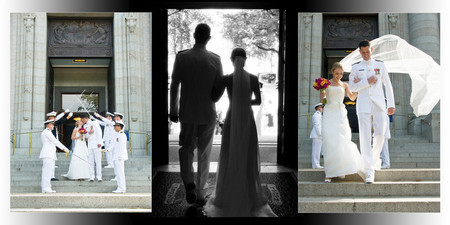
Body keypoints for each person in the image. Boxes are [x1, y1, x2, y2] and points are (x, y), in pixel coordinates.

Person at [203, 48, 276, 217]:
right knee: (247, 154)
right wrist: (244, 100)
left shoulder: (227, 79)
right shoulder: (253, 78)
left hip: (232, 116)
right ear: (245, 60)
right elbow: (257, 101)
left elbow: (213, 96)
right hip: (247, 118)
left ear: (231, 60)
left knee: (230, 154)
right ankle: (250, 193)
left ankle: (227, 193)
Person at [169, 23, 223, 206]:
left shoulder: (182, 57)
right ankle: (200, 192)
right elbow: (218, 89)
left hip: (187, 112)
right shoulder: (216, 59)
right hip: (208, 112)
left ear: (194, 35)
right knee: (204, 153)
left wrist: (173, 110)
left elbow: (174, 85)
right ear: (208, 38)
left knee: (186, 149)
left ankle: (188, 183)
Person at [348, 40, 395, 184]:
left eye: (367, 51)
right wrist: (366, 81)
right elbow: (352, 88)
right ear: (359, 52)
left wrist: (391, 104)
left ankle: (372, 162)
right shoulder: (355, 67)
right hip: (363, 105)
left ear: (371, 50)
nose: (365, 54)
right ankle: (369, 170)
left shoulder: (380, 65)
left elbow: (387, 84)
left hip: (379, 104)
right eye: (362, 52)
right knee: (365, 136)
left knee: (381, 133)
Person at [321, 62, 364, 183]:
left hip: (340, 113)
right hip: (329, 112)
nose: (339, 76)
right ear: (332, 71)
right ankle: (329, 172)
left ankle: (340, 168)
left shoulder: (344, 85)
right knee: (329, 139)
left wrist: (358, 88)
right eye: (336, 73)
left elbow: (352, 97)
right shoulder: (326, 83)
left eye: (341, 74)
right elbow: (322, 100)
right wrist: (322, 93)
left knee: (342, 139)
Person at [40, 119, 69, 193]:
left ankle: (46, 188)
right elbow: (55, 141)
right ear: (48, 125)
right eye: (52, 124)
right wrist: (64, 148)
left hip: (50, 154)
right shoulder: (47, 132)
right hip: (48, 154)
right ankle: (46, 188)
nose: (53, 126)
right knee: (47, 172)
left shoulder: (48, 132)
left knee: (48, 172)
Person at [46, 109, 73, 181]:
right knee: (51, 162)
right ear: (49, 119)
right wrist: (68, 117)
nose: (55, 118)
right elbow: (60, 120)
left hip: (53, 146)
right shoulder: (50, 126)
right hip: (50, 146)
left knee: (53, 161)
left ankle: (52, 176)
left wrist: (65, 113)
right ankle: (51, 176)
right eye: (53, 117)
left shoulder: (52, 123)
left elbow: (58, 118)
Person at [104, 120, 128, 193]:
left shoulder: (122, 135)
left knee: (120, 173)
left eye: (115, 126)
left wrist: (121, 156)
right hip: (116, 156)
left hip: (119, 157)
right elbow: (113, 145)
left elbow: (122, 147)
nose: (114, 127)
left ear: (119, 127)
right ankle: (120, 187)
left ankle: (122, 188)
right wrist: (108, 149)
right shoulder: (117, 134)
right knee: (118, 173)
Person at [81, 113, 104, 182]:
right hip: (90, 145)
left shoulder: (94, 123)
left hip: (97, 144)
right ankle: (92, 176)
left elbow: (99, 132)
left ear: (85, 118)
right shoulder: (84, 126)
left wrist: (99, 142)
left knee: (98, 161)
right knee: (90, 161)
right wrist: (89, 133)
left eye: (82, 119)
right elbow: (85, 137)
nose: (82, 121)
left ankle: (99, 176)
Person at [310, 103, 324, 169]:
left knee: (318, 151)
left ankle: (316, 164)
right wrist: (320, 134)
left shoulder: (319, 115)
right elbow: (317, 125)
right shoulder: (317, 115)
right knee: (316, 151)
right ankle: (316, 165)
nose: (323, 109)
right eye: (322, 107)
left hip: (318, 135)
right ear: (318, 108)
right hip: (317, 135)